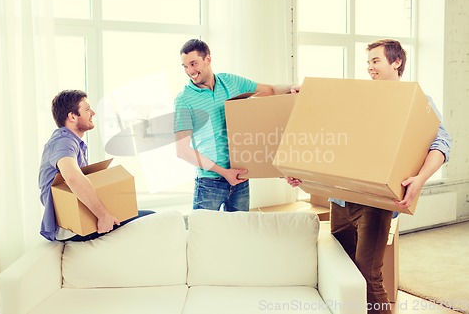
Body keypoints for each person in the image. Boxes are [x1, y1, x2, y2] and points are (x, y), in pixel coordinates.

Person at [286, 39, 451, 314]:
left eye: (375, 61)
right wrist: (304, 174)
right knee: (341, 268)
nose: (369, 68)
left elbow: (441, 143)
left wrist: (420, 179)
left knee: (367, 273)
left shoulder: (417, 101)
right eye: (368, 63)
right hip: (340, 199)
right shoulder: (358, 97)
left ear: (396, 62)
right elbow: (330, 136)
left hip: (376, 203)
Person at [174, 38, 298, 212]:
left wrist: (293, 87)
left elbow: (270, 90)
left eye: (193, 64)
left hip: (240, 179)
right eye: (185, 66)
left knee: (239, 235)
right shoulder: (184, 100)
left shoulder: (230, 82)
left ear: (208, 59)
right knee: (205, 236)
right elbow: (182, 151)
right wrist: (224, 172)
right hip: (209, 183)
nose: (190, 71)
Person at [38, 90, 153, 241]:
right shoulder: (63, 141)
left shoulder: (70, 141)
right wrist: (103, 216)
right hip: (71, 227)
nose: (92, 113)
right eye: (87, 109)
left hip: (75, 220)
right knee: (151, 219)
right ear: (72, 116)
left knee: (142, 216)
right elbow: (72, 176)